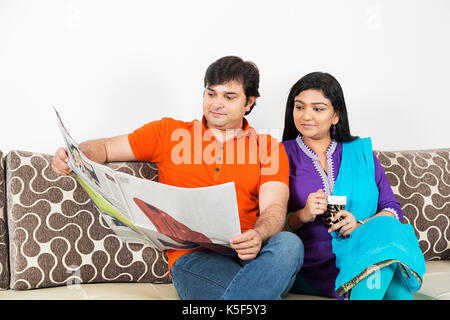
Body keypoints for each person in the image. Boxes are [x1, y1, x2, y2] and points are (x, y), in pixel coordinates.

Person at [52, 56, 304, 300]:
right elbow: (105, 147)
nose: (216, 103)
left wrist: (258, 236)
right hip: (195, 257)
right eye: (211, 93)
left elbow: (273, 208)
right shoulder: (168, 133)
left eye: (229, 97)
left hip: (253, 253)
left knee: (289, 243)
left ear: (249, 102)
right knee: (253, 290)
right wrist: (74, 156)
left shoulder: (268, 147)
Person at [282, 72, 426, 300]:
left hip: (363, 248)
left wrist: (359, 224)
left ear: (336, 115)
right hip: (314, 262)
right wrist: (303, 215)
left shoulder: (361, 152)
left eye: (318, 109)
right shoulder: (280, 155)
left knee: (387, 230)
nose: (306, 115)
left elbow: (392, 209)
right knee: (393, 285)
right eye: (299, 107)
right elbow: (268, 223)